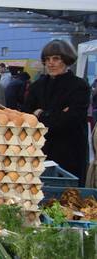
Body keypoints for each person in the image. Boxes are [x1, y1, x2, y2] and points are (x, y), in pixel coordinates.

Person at [23, 39, 90, 187]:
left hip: (69, 151)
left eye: (56, 58)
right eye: (47, 59)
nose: (50, 63)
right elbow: (26, 116)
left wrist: (41, 114)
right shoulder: (38, 85)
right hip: (39, 149)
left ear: (66, 60)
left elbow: (70, 120)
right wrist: (56, 113)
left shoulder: (79, 86)